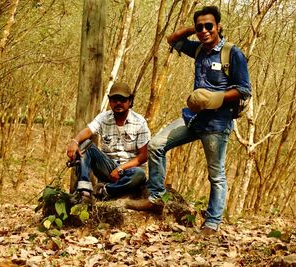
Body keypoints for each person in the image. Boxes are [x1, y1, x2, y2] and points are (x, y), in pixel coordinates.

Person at [125, 6, 251, 235]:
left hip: (217, 124)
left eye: (209, 26)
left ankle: (212, 224)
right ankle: (155, 198)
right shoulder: (199, 50)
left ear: (219, 26)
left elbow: (244, 90)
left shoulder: (233, 53)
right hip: (193, 119)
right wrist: (194, 30)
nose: (204, 30)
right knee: (156, 145)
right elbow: (171, 40)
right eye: (200, 26)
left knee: (216, 175)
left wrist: (216, 97)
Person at [66, 82, 151, 203]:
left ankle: (105, 191)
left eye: (122, 99)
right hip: (108, 168)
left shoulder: (139, 122)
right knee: (85, 145)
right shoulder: (103, 118)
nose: (118, 103)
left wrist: (120, 169)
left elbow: (143, 156)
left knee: (139, 174)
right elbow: (88, 131)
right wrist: (74, 141)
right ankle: (84, 192)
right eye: (115, 99)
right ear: (110, 101)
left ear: (130, 101)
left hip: (129, 171)